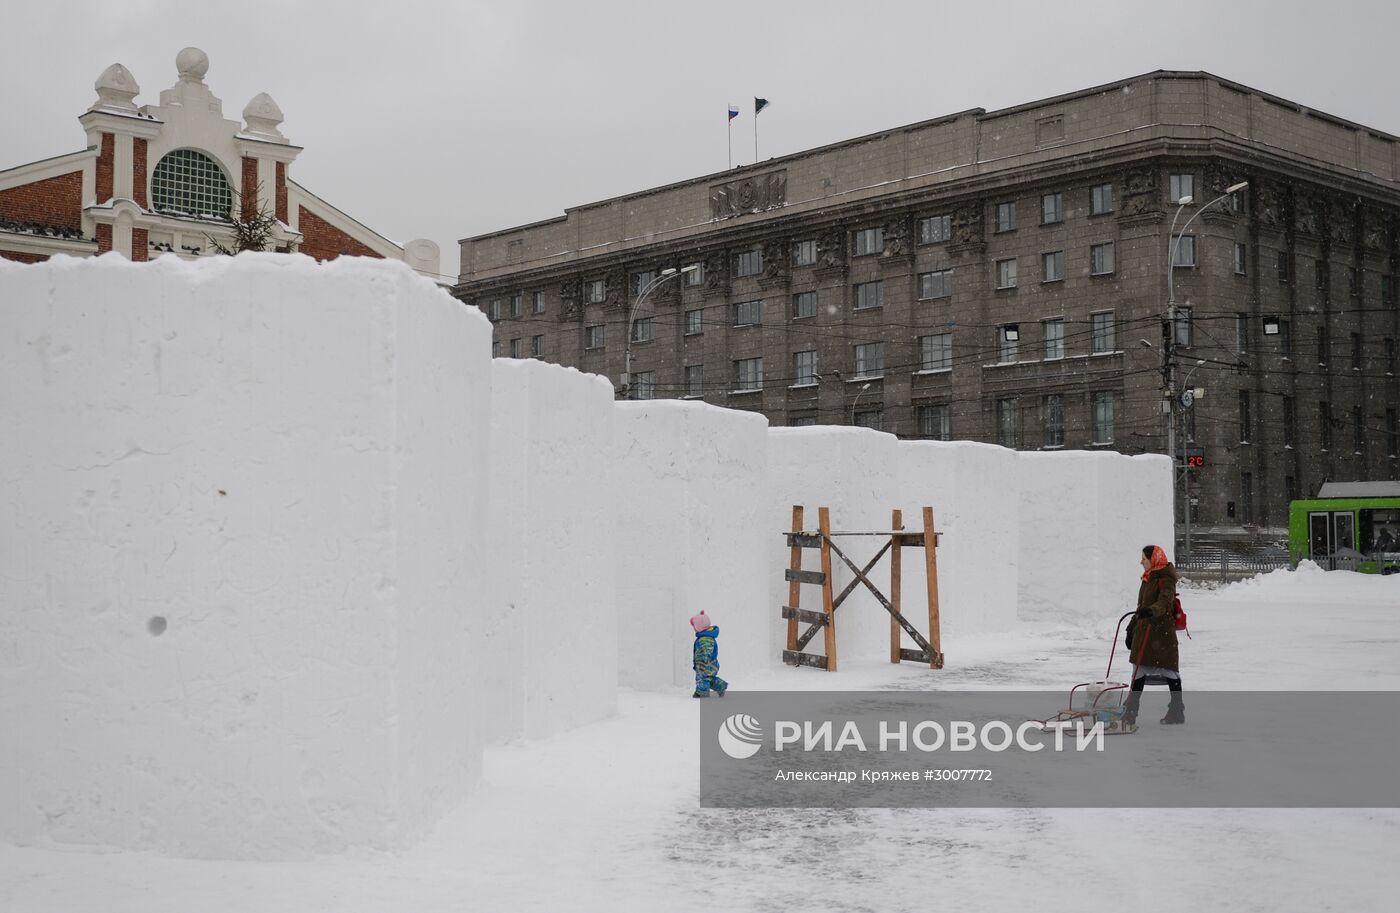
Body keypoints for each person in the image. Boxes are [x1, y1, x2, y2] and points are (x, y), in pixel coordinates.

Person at [1125, 545, 1183, 726]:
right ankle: (1130, 713)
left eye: (1144, 558)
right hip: (1144, 632)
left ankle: (1176, 712)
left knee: (1170, 673)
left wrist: (1151, 611)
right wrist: (1130, 628)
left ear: (1154, 559)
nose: (1141, 561)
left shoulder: (1166, 579)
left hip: (1161, 635)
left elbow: (1165, 602)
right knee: (1138, 672)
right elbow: (1140, 606)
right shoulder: (1147, 578)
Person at [690, 612, 729, 698]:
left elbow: (706, 651)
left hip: (705, 663)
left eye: (694, 626)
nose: (693, 628)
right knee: (708, 678)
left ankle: (701, 693)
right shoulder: (706, 637)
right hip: (711, 663)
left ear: (699, 627)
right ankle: (720, 686)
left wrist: (702, 662)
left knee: (702, 678)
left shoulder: (705, 639)